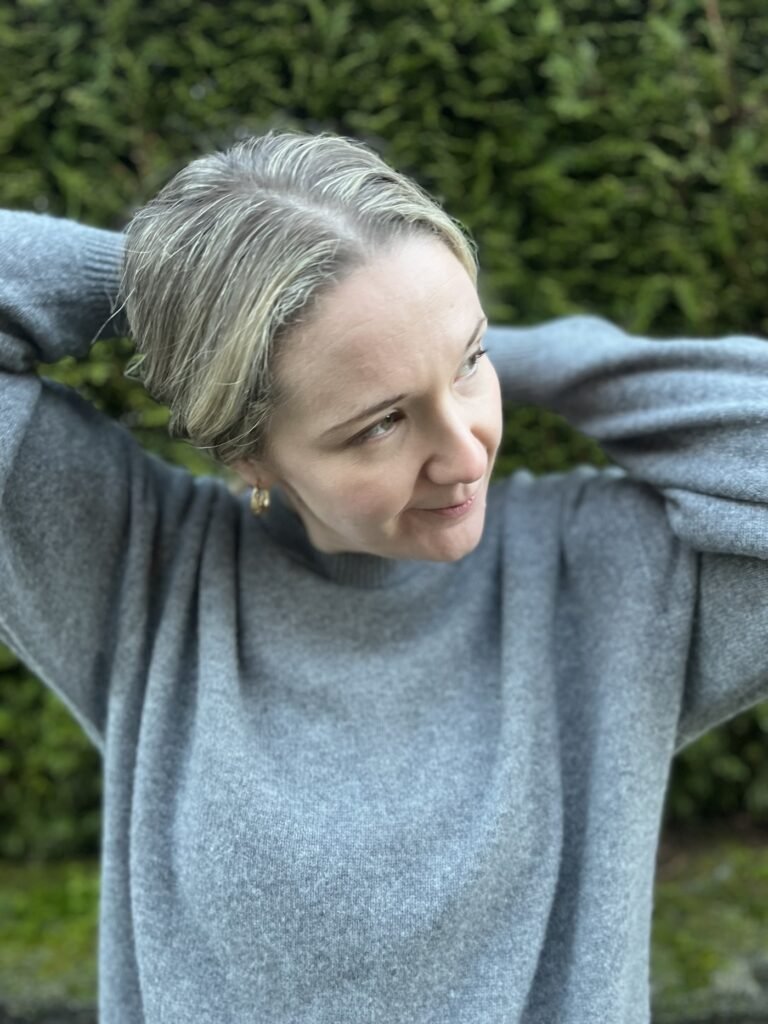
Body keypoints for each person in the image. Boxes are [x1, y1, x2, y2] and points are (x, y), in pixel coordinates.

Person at [0, 129, 766, 1024]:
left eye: (472, 366)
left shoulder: (606, 577)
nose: (464, 453)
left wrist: (484, 345)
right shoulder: (135, 569)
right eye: (381, 424)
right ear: (250, 453)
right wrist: (191, 284)